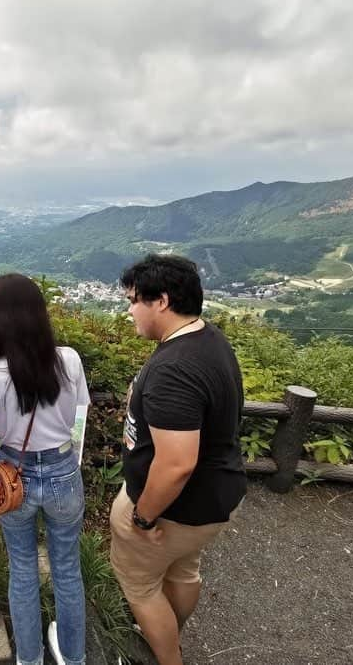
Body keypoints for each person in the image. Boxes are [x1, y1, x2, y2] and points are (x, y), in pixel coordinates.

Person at [110, 254, 246, 665]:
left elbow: (175, 464)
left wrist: (144, 516)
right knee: (183, 570)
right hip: (212, 499)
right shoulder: (208, 339)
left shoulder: (174, 370)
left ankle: (168, 656)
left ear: (162, 301)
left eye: (134, 300)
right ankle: (169, 632)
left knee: (140, 587)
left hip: (173, 509)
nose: (129, 309)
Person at [0, 273, 89, 665]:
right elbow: (75, 411)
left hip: (13, 476)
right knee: (67, 568)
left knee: (23, 568)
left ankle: (28, 659)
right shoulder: (67, 359)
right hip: (64, 471)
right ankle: (74, 656)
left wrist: (2, 419)